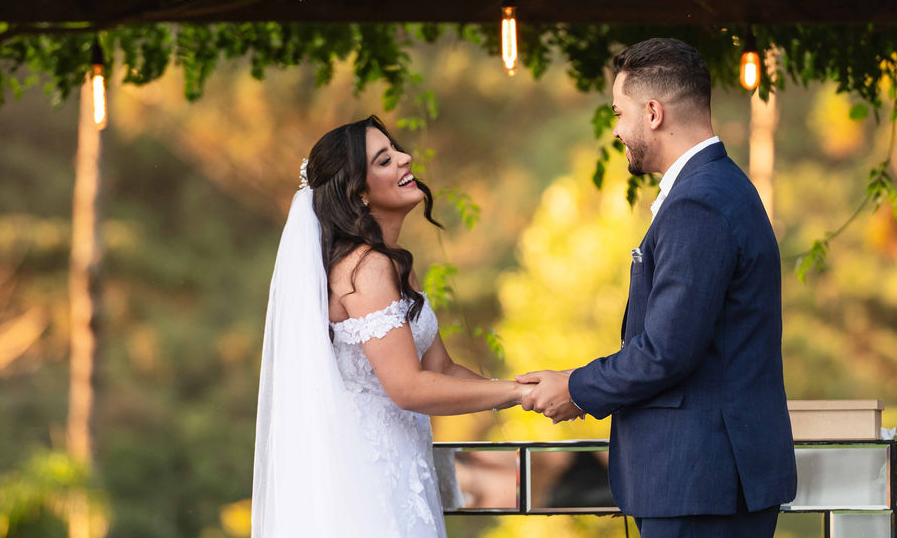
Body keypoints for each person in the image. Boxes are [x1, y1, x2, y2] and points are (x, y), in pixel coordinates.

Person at [518, 38, 798, 538]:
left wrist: (576, 388)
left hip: (699, 482)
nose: (616, 130)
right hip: (703, 481)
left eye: (618, 113)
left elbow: (667, 350)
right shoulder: (719, 188)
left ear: (652, 112)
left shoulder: (700, 202)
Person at [252, 117, 532, 538]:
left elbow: (441, 368)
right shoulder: (366, 268)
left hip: (404, 461)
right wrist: (518, 393)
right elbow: (408, 388)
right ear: (359, 193)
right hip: (366, 474)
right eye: (385, 160)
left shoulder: (395, 262)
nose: (406, 159)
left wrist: (525, 393)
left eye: (396, 150)